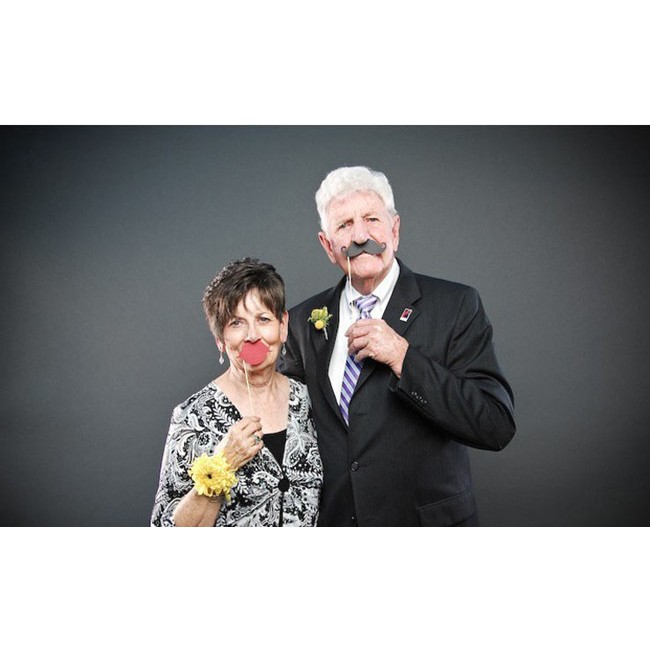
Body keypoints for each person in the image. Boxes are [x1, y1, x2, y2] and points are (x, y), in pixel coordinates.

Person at [279, 166, 515, 526]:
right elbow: (289, 425)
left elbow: (495, 424)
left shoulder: (456, 305)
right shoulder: (301, 321)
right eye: (344, 225)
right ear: (328, 246)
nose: (360, 236)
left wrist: (404, 358)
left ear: (395, 229)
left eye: (372, 219)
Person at [151, 258, 322, 526]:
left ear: (282, 326)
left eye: (263, 319)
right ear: (220, 339)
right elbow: (165, 529)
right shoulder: (192, 417)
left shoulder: (309, 400)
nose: (253, 336)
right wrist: (223, 464)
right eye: (236, 323)